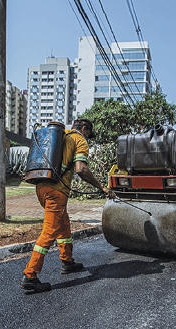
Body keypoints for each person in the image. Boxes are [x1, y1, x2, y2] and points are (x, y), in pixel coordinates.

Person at [20, 118, 116, 292]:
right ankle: (30, 275)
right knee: (49, 231)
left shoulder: (58, 136)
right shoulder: (79, 140)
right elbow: (81, 169)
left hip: (41, 186)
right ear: (84, 129)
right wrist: (102, 187)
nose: (88, 138)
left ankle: (67, 261)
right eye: (89, 134)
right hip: (57, 191)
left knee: (62, 223)